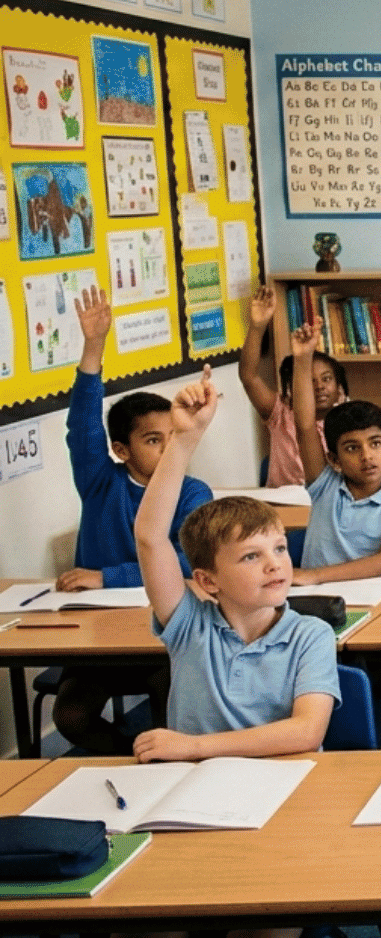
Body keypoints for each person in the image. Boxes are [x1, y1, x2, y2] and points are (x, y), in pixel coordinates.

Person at [100, 366, 339, 938]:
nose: (276, 565)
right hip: (186, 807)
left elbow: (305, 732)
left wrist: (196, 746)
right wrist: (183, 440)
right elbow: (150, 536)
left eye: (280, 550)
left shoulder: (309, 634)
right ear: (206, 581)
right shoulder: (187, 625)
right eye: (251, 557)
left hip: (282, 810)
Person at [53, 285, 209, 756]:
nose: (166, 449)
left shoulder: (193, 491)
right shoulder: (102, 483)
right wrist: (93, 348)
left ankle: (161, 763)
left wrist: (106, 577)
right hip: (98, 635)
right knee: (72, 716)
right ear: (122, 450)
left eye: (172, 437)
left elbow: (187, 561)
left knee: (169, 700)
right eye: (152, 440)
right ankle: (126, 757)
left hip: (164, 632)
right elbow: (81, 428)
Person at [291, 321, 381, 585]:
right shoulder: (325, 485)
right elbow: (304, 425)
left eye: (375, 443)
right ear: (333, 460)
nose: (367, 455)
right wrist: (303, 358)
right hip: (319, 602)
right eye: (352, 448)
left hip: (378, 602)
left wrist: (314, 576)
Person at [241, 283, 347, 486]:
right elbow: (249, 376)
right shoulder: (280, 414)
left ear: (340, 388)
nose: (319, 387)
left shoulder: (346, 423)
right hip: (284, 506)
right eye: (309, 381)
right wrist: (257, 326)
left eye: (326, 379)